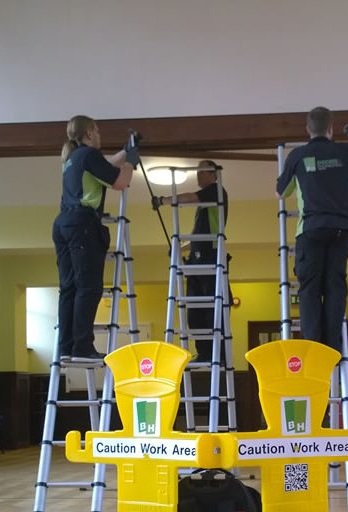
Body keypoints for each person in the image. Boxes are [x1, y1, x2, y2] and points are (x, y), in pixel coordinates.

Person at [276, 107, 348, 352]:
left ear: (307, 129)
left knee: (310, 288)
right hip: (340, 229)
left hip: (310, 229)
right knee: (335, 285)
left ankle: (314, 348)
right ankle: (332, 347)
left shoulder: (298, 155)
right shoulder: (345, 152)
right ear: (331, 128)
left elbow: (280, 193)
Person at [53, 115, 139, 359]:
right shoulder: (89, 155)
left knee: (69, 288)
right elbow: (121, 181)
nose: (100, 136)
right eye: (98, 131)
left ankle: (66, 347)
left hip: (63, 223)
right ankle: (83, 346)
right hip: (83, 224)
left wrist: (125, 150)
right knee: (88, 287)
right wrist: (131, 161)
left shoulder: (73, 158)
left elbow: (106, 165)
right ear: (89, 133)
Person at [152, 160, 229, 362]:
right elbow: (198, 236)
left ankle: (216, 354)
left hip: (211, 259)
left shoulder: (216, 191)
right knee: (195, 312)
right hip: (197, 261)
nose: (198, 175)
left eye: (201, 171)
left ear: (213, 174)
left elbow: (189, 198)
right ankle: (204, 352)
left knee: (212, 309)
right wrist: (179, 247)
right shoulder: (205, 205)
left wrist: (163, 200)